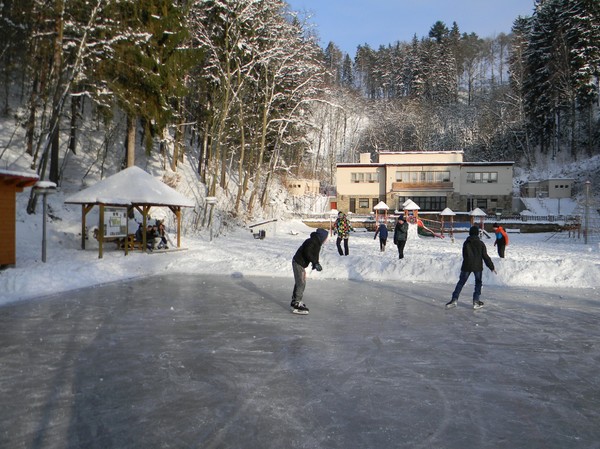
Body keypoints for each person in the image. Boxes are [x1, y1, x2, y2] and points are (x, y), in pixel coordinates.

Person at [446, 225, 497, 310]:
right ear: (477, 234)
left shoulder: (466, 243)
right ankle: (476, 301)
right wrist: (491, 267)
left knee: (461, 282)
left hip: (467, 265)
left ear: (470, 233)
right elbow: (485, 256)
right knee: (478, 283)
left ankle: (454, 299)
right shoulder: (481, 244)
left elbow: (464, 255)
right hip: (477, 267)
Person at [291, 228, 328, 314]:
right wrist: (315, 262)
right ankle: (297, 303)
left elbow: (314, 255)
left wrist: (316, 263)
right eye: (326, 238)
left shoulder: (317, 243)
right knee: (301, 282)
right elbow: (308, 252)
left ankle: (295, 300)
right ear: (321, 237)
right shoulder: (312, 241)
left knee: (300, 282)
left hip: (300, 263)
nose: (326, 239)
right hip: (298, 263)